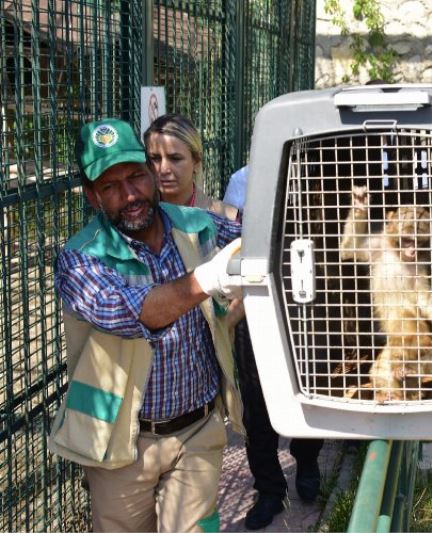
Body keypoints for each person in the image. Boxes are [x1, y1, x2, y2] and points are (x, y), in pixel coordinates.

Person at [49, 117, 245, 532]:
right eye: (110, 186)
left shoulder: (196, 225)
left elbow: (260, 237)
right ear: (92, 195)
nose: (130, 194)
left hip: (198, 428)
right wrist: (209, 278)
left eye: (136, 176)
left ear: (151, 173)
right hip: (120, 445)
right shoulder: (81, 258)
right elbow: (133, 313)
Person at [224, 165, 325, 530]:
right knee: (257, 400)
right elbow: (232, 238)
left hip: (313, 301)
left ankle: (307, 456)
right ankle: (268, 488)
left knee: (312, 384)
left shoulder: (326, 172)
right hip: (259, 300)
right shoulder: (245, 179)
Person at [144, 113, 238, 220]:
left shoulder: (229, 220)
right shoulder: (137, 217)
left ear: (196, 162)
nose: (164, 169)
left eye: (175, 158)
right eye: (155, 158)